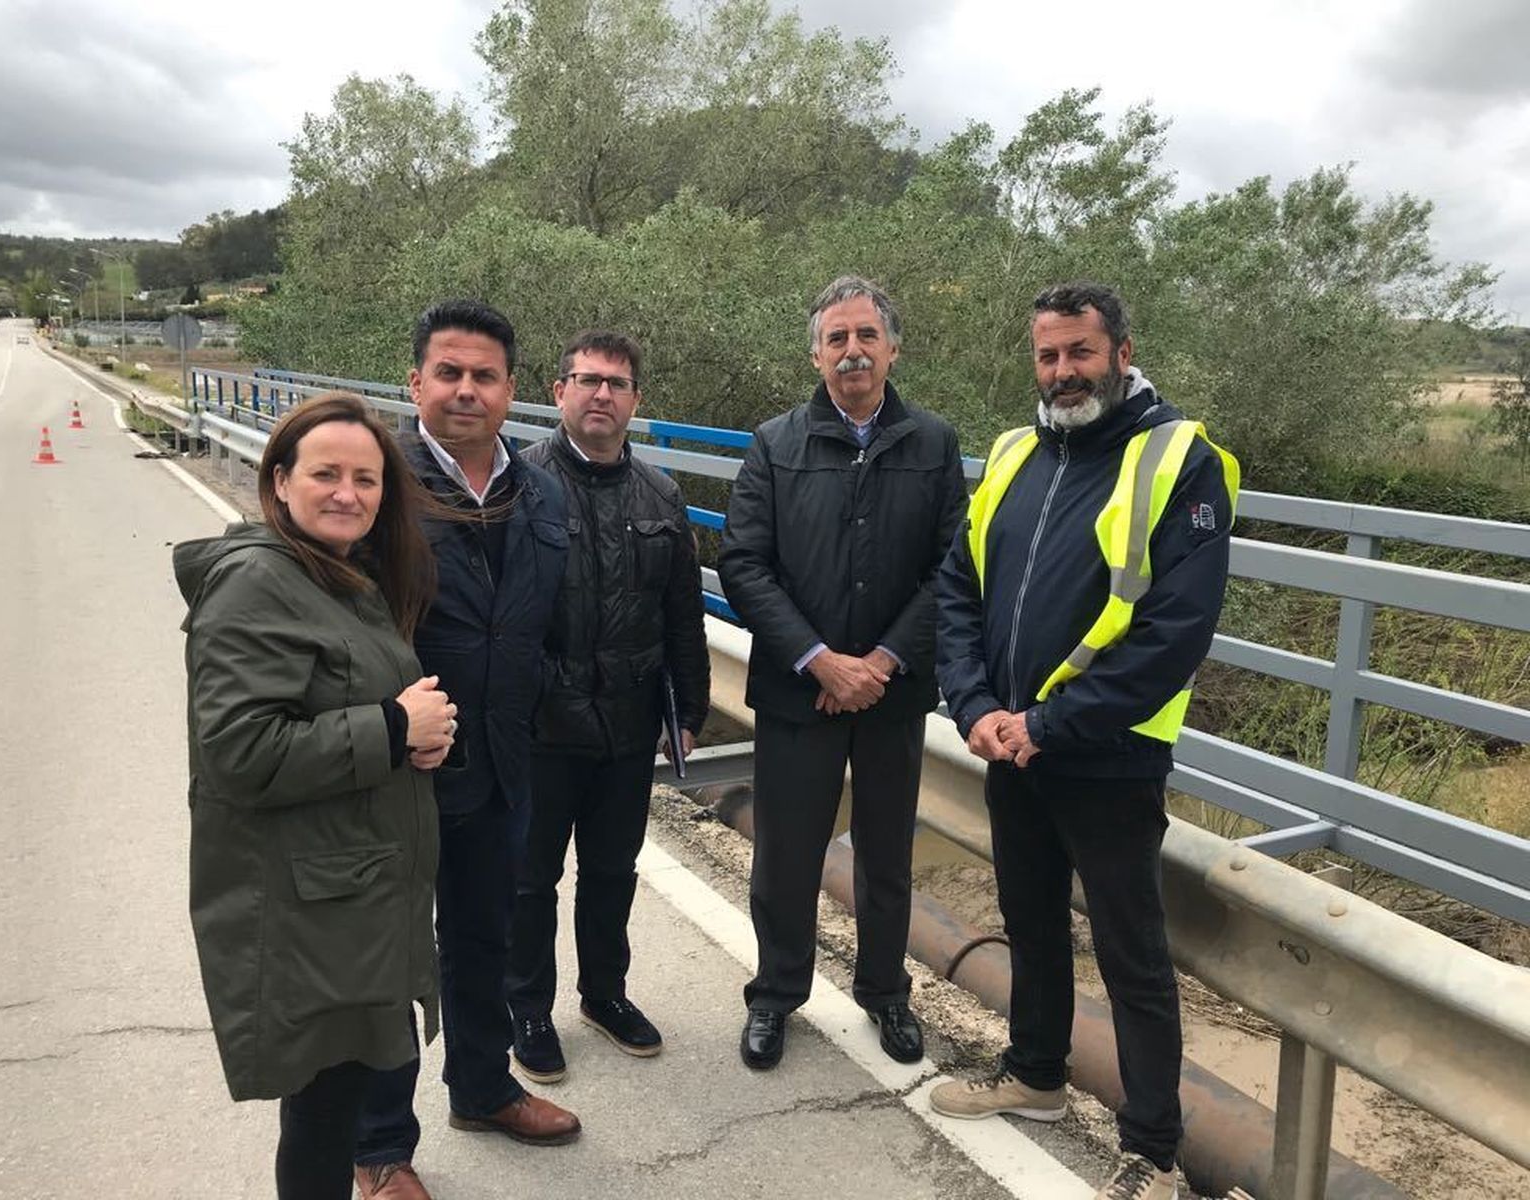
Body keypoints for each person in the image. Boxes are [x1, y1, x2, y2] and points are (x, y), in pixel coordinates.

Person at [932, 281, 1239, 1200]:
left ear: (1121, 353)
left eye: (1081, 353)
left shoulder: (1178, 459)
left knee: (1130, 957)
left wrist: (1048, 724)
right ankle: (1035, 1076)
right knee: (1029, 922)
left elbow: (1176, 631)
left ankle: (1153, 1151)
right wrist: (974, 706)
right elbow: (960, 588)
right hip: (1008, 744)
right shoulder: (1016, 451)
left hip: (1109, 755)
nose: (1063, 372)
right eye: (1049, 355)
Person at [176, 392, 456, 1200]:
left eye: (366, 479)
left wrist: (417, 739)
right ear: (279, 481)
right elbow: (239, 753)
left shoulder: (334, 574)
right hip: (311, 905)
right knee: (323, 1115)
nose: (347, 493)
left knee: (333, 1103)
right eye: (326, 474)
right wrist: (392, 728)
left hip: (347, 891)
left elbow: (336, 706)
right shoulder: (256, 584)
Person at [354, 301, 579, 1200]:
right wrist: (382, 723)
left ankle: (482, 1089)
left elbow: (551, 621)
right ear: (415, 382)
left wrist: (541, 704)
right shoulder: (375, 486)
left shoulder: (542, 490)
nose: (466, 390)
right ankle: (379, 1147)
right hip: (400, 770)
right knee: (392, 957)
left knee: (485, 935)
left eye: (484, 375)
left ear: (511, 390)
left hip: (504, 761)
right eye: (447, 372)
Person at [717, 275, 967, 1070]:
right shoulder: (775, 443)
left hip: (893, 693)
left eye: (866, 336)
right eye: (837, 338)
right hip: (800, 690)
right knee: (786, 855)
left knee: (887, 855)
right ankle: (775, 994)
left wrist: (882, 661)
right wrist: (821, 661)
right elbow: (743, 562)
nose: (852, 351)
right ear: (816, 355)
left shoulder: (933, 445)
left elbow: (953, 567)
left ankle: (886, 992)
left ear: (893, 348)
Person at [503, 330, 711, 1081]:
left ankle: (605, 994)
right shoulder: (518, 485)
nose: (602, 394)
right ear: (558, 392)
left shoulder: (661, 495)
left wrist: (688, 712)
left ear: (635, 400)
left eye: (617, 384)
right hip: (541, 723)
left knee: (612, 871)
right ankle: (527, 1008)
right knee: (530, 879)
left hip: (628, 720)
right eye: (587, 380)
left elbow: (682, 614)